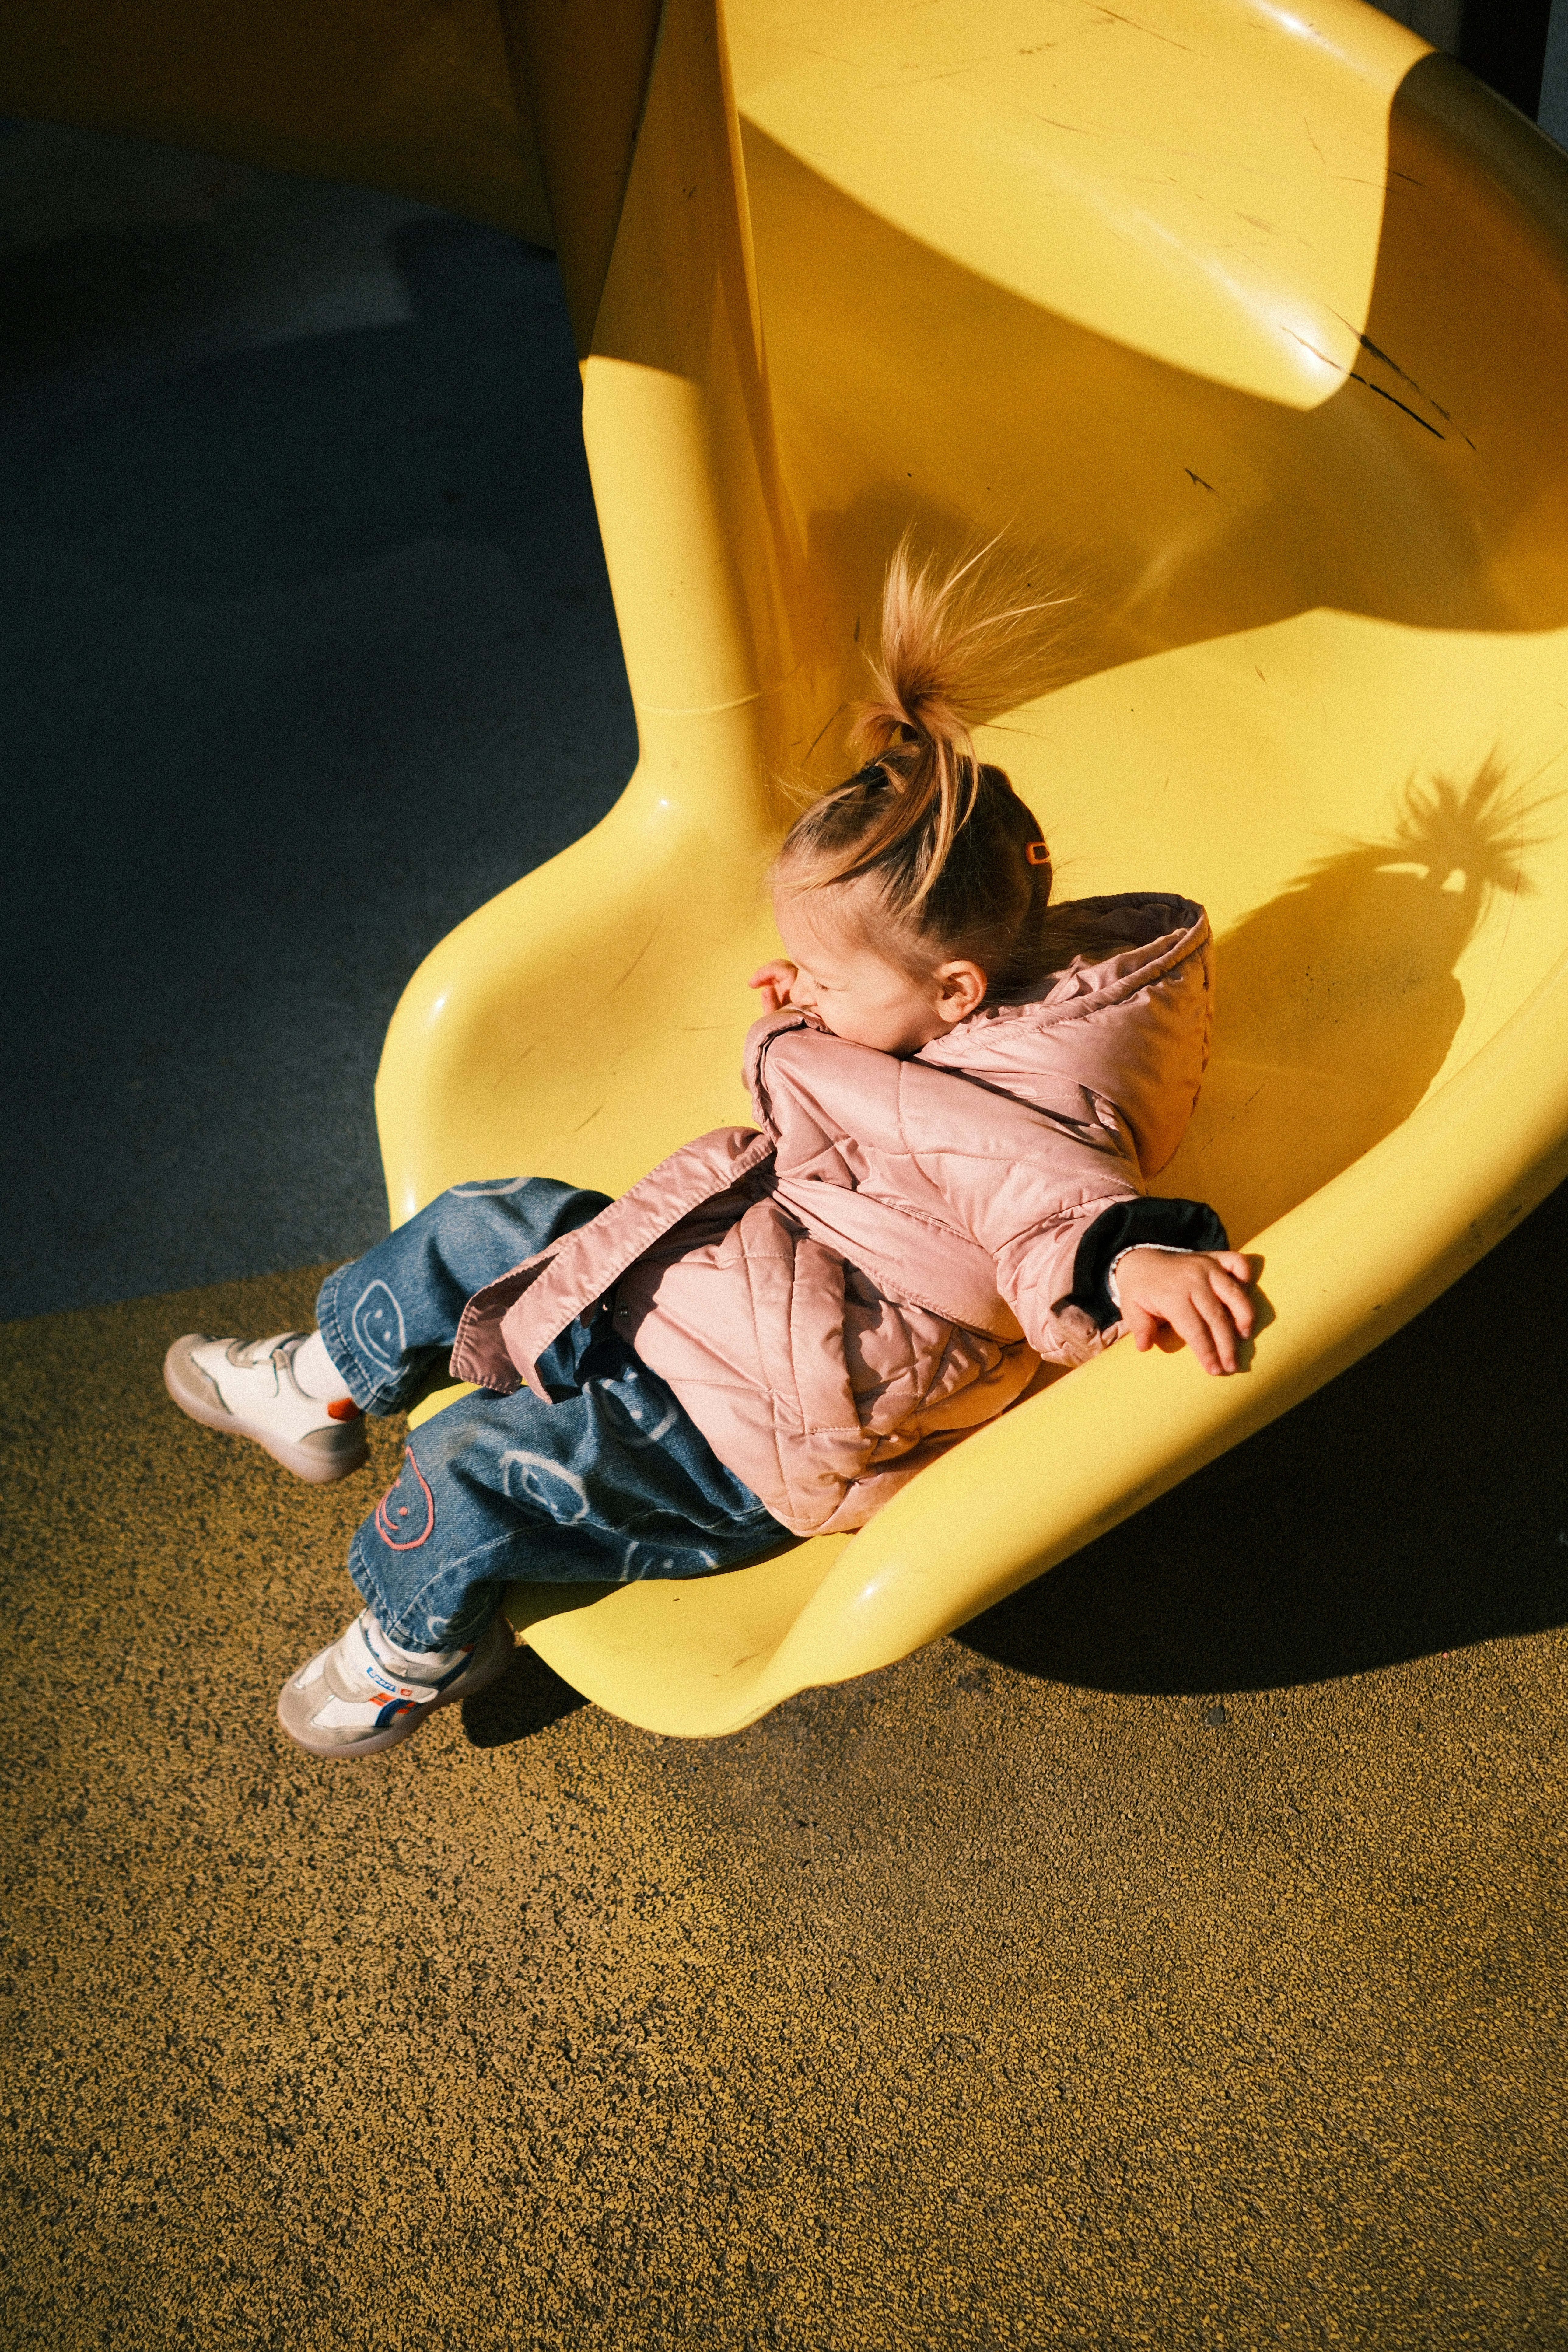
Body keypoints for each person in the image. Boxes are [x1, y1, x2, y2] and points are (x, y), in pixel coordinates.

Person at [164, 541, 1255, 1760]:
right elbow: (872, 1091)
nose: (798, 988)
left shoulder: (1031, 1104)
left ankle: (418, 1645)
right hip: (737, 1277)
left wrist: (1136, 1264)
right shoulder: (954, 1020)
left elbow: (1055, 1207)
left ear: (952, 991)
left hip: (770, 1413)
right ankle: (323, 1374)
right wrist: (821, 1004)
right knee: (489, 1220)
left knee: (477, 1468)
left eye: (826, 973)